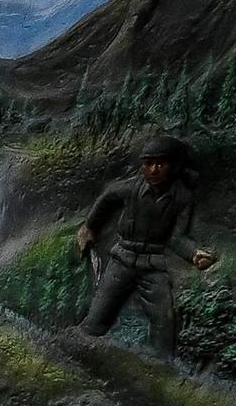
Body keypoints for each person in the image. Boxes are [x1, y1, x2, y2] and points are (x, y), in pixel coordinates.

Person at [76, 137, 217, 357]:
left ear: (174, 166)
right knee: (99, 312)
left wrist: (194, 254)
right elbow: (107, 197)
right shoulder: (131, 188)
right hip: (122, 258)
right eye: (148, 164)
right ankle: (82, 351)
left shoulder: (181, 198)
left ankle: (161, 364)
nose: (153, 169)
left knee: (163, 321)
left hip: (152, 266)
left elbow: (176, 237)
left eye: (160, 164)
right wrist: (90, 227)